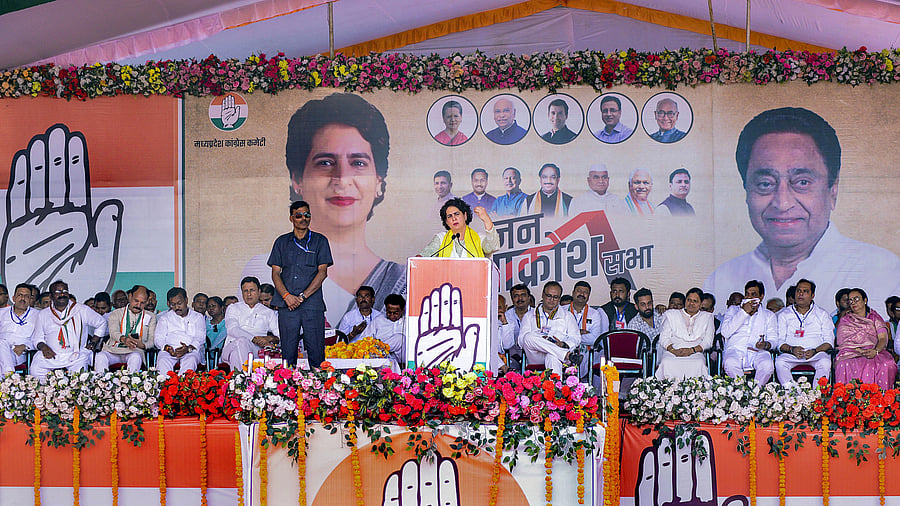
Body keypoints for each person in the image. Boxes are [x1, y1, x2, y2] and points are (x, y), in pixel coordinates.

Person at [705, 107, 900, 314]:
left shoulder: (883, 270)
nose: (782, 203)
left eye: (802, 182)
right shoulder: (722, 277)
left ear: (833, 189)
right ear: (746, 191)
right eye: (765, 183)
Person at [243, 93, 406, 326]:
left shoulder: (401, 281)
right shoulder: (261, 269)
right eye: (325, 163)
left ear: (378, 181)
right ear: (297, 179)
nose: (342, 178)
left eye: (358, 163)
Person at [269, 200, 333, 368]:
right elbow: (275, 273)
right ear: (291, 218)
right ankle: (286, 391)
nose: (303, 219)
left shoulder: (320, 241)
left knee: (316, 351)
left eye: (307, 215)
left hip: (311, 304)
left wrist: (302, 297)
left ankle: (319, 391)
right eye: (299, 215)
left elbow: (322, 272)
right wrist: (287, 296)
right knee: (288, 353)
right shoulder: (281, 242)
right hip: (287, 304)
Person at [30, 280, 108, 379]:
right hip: (52, 355)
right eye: (58, 292)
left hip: (76, 354)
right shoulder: (43, 314)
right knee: (36, 368)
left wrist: (93, 342)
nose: (62, 294)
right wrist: (43, 347)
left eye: (65, 291)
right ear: (51, 296)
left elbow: (101, 323)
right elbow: (37, 338)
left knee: (79, 378)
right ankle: (47, 393)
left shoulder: (81, 310)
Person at [834, 288, 896, 389]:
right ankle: (849, 402)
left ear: (865, 300)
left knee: (887, 364)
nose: (853, 302)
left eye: (856, 299)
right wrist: (857, 350)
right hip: (851, 353)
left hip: (874, 352)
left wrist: (875, 351)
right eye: (850, 300)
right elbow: (842, 342)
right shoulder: (846, 320)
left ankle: (881, 400)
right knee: (843, 364)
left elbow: (883, 338)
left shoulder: (874, 317)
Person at [775, 279, 834, 384]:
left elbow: (829, 341)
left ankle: (817, 396)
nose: (800, 294)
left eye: (805, 291)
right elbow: (780, 342)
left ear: (812, 296)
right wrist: (792, 349)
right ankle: (793, 394)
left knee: (825, 362)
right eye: (798, 291)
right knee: (780, 362)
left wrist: (814, 351)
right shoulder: (784, 314)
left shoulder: (822, 314)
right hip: (792, 354)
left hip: (816, 353)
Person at [519, 281, 581, 374]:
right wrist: (540, 340)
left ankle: (555, 388)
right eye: (549, 296)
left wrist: (563, 344)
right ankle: (566, 355)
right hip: (536, 356)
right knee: (528, 337)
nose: (552, 299)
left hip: (557, 356)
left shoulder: (567, 316)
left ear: (559, 298)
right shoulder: (529, 315)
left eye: (555, 297)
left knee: (552, 356)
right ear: (543, 295)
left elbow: (576, 338)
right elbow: (521, 341)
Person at [720, 280, 776, 383]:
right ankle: (742, 391)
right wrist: (743, 312)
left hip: (758, 352)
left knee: (767, 366)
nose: (749, 298)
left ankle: (756, 391)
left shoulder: (769, 315)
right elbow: (725, 332)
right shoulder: (733, 310)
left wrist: (766, 345)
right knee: (730, 363)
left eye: (753, 295)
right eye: (747, 294)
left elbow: (773, 340)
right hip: (735, 349)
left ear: (761, 297)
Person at [221, 277, 280, 371]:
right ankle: (247, 378)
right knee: (241, 341)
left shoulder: (268, 312)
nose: (249, 294)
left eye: (252, 290)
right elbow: (232, 329)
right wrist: (254, 339)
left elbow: (280, 335)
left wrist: (270, 338)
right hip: (231, 346)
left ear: (259, 291)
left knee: (236, 355)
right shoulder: (233, 308)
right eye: (245, 291)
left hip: (256, 351)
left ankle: (239, 382)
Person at [655, 287, 715, 379]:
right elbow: (664, 338)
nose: (691, 303)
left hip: (695, 352)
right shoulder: (672, 314)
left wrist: (691, 351)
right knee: (666, 362)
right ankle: (668, 391)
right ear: (685, 301)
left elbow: (708, 342)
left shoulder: (707, 317)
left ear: (701, 303)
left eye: (695, 301)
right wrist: (673, 351)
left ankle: (695, 391)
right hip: (673, 350)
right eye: (689, 300)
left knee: (699, 363)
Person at [96, 285, 156, 372]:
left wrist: (142, 345)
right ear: (130, 297)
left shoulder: (150, 316)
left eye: (142, 303)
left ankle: (132, 384)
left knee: (135, 357)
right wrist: (124, 339)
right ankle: (101, 383)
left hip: (134, 351)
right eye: (136, 301)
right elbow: (113, 333)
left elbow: (152, 340)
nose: (138, 305)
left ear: (146, 302)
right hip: (114, 350)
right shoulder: (116, 313)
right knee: (100, 356)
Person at [420, 198, 500, 257]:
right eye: (449, 216)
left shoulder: (479, 238)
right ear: (447, 222)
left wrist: (486, 220)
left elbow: (493, 247)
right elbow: (423, 257)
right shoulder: (441, 239)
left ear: (465, 216)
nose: (454, 218)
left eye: (457, 214)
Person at [155, 287, 206, 375]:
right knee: (163, 361)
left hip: (190, 351)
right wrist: (168, 348)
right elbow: (158, 339)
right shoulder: (164, 318)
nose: (177, 307)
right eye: (173, 304)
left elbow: (200, 338)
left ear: (186, 300)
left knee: (191, 360)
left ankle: (182, 386)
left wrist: (188, 348)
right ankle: (166, 386)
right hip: (169, 352)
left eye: (179, 303)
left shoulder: (197, 317)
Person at [562, 281, 608, 368]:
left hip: (586, 354)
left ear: (588, 296)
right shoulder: (562, 310)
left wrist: (569, 334)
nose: (582, 294)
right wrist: (579, 333)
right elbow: (558, 334)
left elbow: (595, 339)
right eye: (579, 291)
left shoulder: (594, 313)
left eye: (585, 292)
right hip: (565, 352)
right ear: (573, 293)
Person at [0, 283, 38, 374]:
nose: (22, 298)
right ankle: (9, 376)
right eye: (20, 295)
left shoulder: (38, 315)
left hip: (19, 354)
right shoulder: (1, 313)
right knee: (1, 343)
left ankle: (8, 381)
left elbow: (40, 338)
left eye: (26, 296)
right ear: (13, 298)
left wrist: (26, 346)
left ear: (30, 300)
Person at [372, 293, 407, 365]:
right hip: (382, 361)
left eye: (395, 313)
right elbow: (364, 338)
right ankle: (378, 350)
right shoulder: (378, 320)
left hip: (402, 360)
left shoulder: (408, 321)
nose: (392, 316)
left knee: (400, 338)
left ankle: (378, 350)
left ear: (402, 310)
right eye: (389, 312)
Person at [505, 284, 533, 358]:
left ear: (529, 297)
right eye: (516, 296)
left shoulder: (537, 314)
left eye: (523, 295)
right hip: (511, 356)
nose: (520, 298)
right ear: (512, 299)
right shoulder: (506, 316)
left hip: (533, 355)